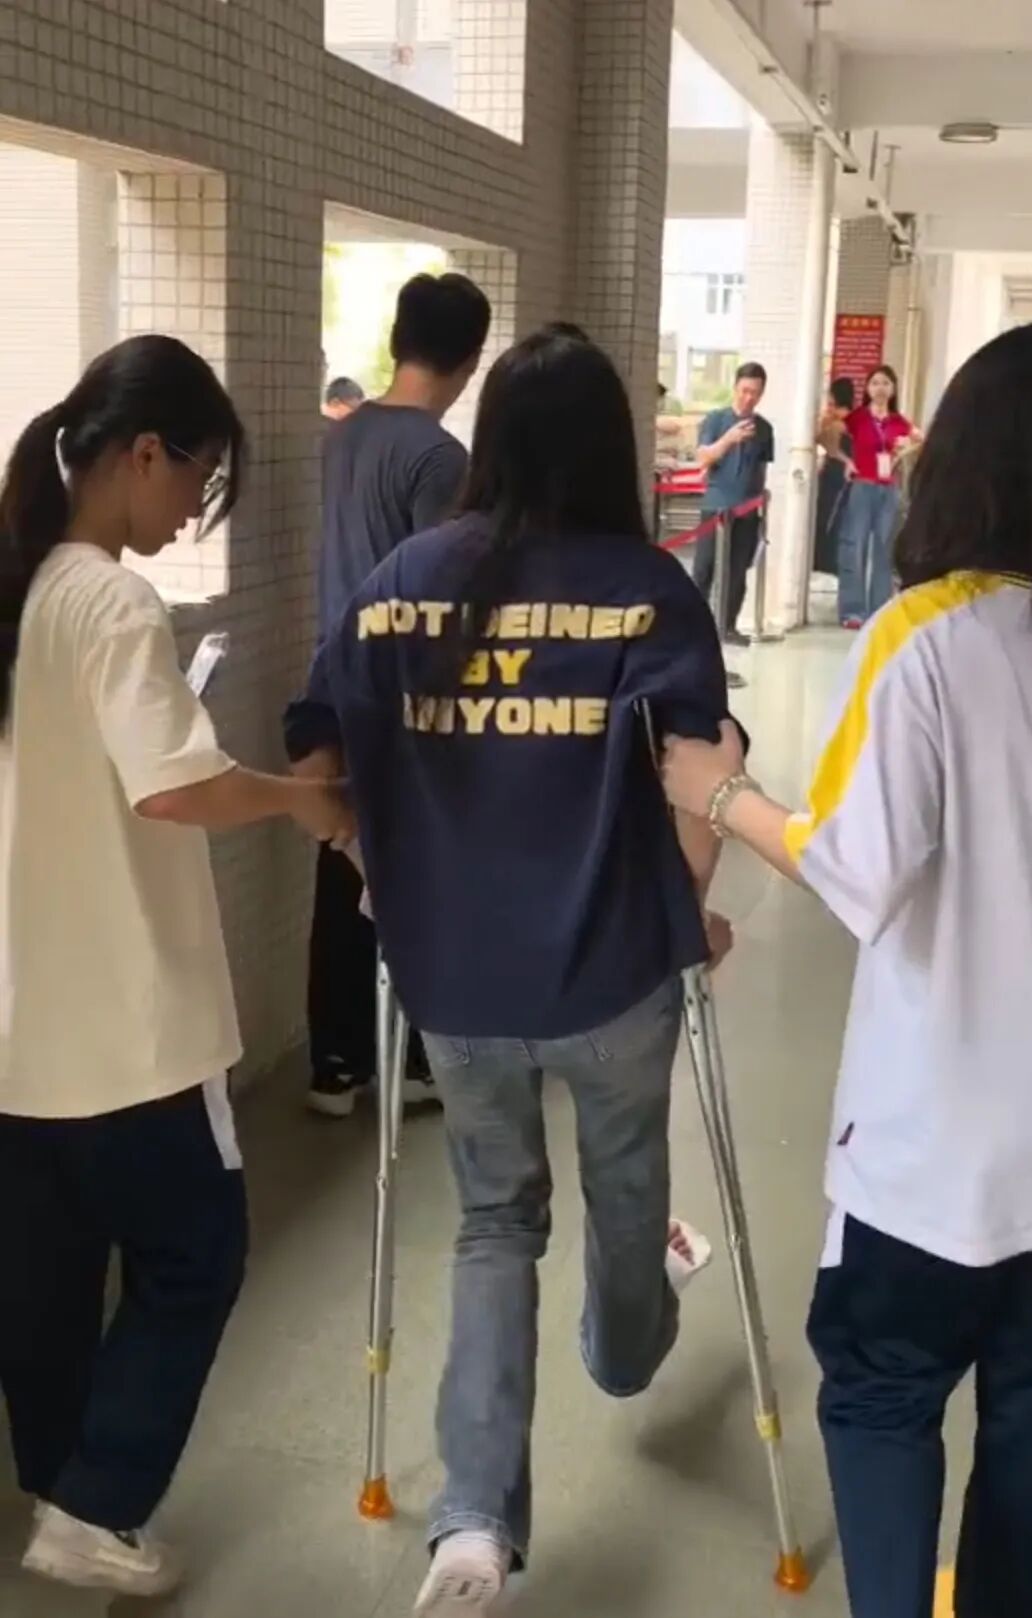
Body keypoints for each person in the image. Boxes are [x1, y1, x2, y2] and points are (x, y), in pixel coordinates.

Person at [285, 327, 738, 1617]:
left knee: (493, 1223)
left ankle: (473, 1531)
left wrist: (373, 862)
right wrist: (688, 910)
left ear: (489, 440)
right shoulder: (649, 590)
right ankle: (625, 1351)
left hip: (456, 989)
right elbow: (699, 774)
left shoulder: (401, 584)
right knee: (624, 1188)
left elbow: (316, 757)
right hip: (612, 975)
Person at [660, 319, 1032, 1618]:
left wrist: (718, 792)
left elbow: (856, 865)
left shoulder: (927, 633)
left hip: (933, 1148)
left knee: (885, 1392)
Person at [0, 335, 350, 1599]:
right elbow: (172, 785)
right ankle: (94, 1504)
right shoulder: (110, 600)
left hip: (22, 1017)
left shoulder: (22, 585)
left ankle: (62, 1488)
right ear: (143, 452)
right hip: (129, 1023)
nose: (194, 509)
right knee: (197, 1251)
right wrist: (300, 800)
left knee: (44, 1277)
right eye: (198, 478)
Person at [305, 271, 492, 1118]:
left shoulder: (343, 436)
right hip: (405, 693)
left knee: (340, 863)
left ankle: (335, 1065)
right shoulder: (439, 458)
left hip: (333, 684)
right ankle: (412, 1060)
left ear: (395, 340)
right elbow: (438, 590)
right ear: (470, 358)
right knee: (414, 875)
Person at [693, 361, 773, 644]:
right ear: (735, 387)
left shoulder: (764, 429)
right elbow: (703, 457)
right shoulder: (716, 420)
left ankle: (727, 625)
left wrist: (761, 499)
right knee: (704, 568)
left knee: (738, 570)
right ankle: (694, 625)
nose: (748, 397)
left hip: (747, 509)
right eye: (744, 390)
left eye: (755, 392)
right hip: (716, 506)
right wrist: (728, 439)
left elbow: (762, 467)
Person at [836, 364, 920, 629]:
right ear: (868, 389)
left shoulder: (899, 422)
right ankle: (852, 611)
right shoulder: (857, 418)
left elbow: (923, 440)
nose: (880, 388)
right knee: (855, 547)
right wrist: (845, 460)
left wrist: (904, 451)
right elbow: (825, 434)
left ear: (893, 389)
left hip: (889, 489)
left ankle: (879, 610)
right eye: (875, 383)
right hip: (862, 486)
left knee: (884, 549)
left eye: (885, 383)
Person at [814, 376, 855, 578]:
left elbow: (820, 439)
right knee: (838, 518)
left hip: (834, 474)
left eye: (831, 402)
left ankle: (823, 560)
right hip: (845, 476)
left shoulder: (837, 423)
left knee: (825, 516)